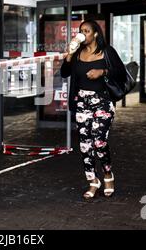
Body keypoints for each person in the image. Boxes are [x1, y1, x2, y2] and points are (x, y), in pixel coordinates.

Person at [60, 20, 126, 199]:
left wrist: (102, 72)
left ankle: (107, 175)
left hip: (102, 102)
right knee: (85, 146)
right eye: (81, 31)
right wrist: (69, 54)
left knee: (99, 142)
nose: (82, 34)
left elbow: (121, 72)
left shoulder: (107, 52)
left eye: (86, 31)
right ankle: (92, 181)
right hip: (82, 102)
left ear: (95, 34)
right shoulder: (78, 52)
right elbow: (64, 73)